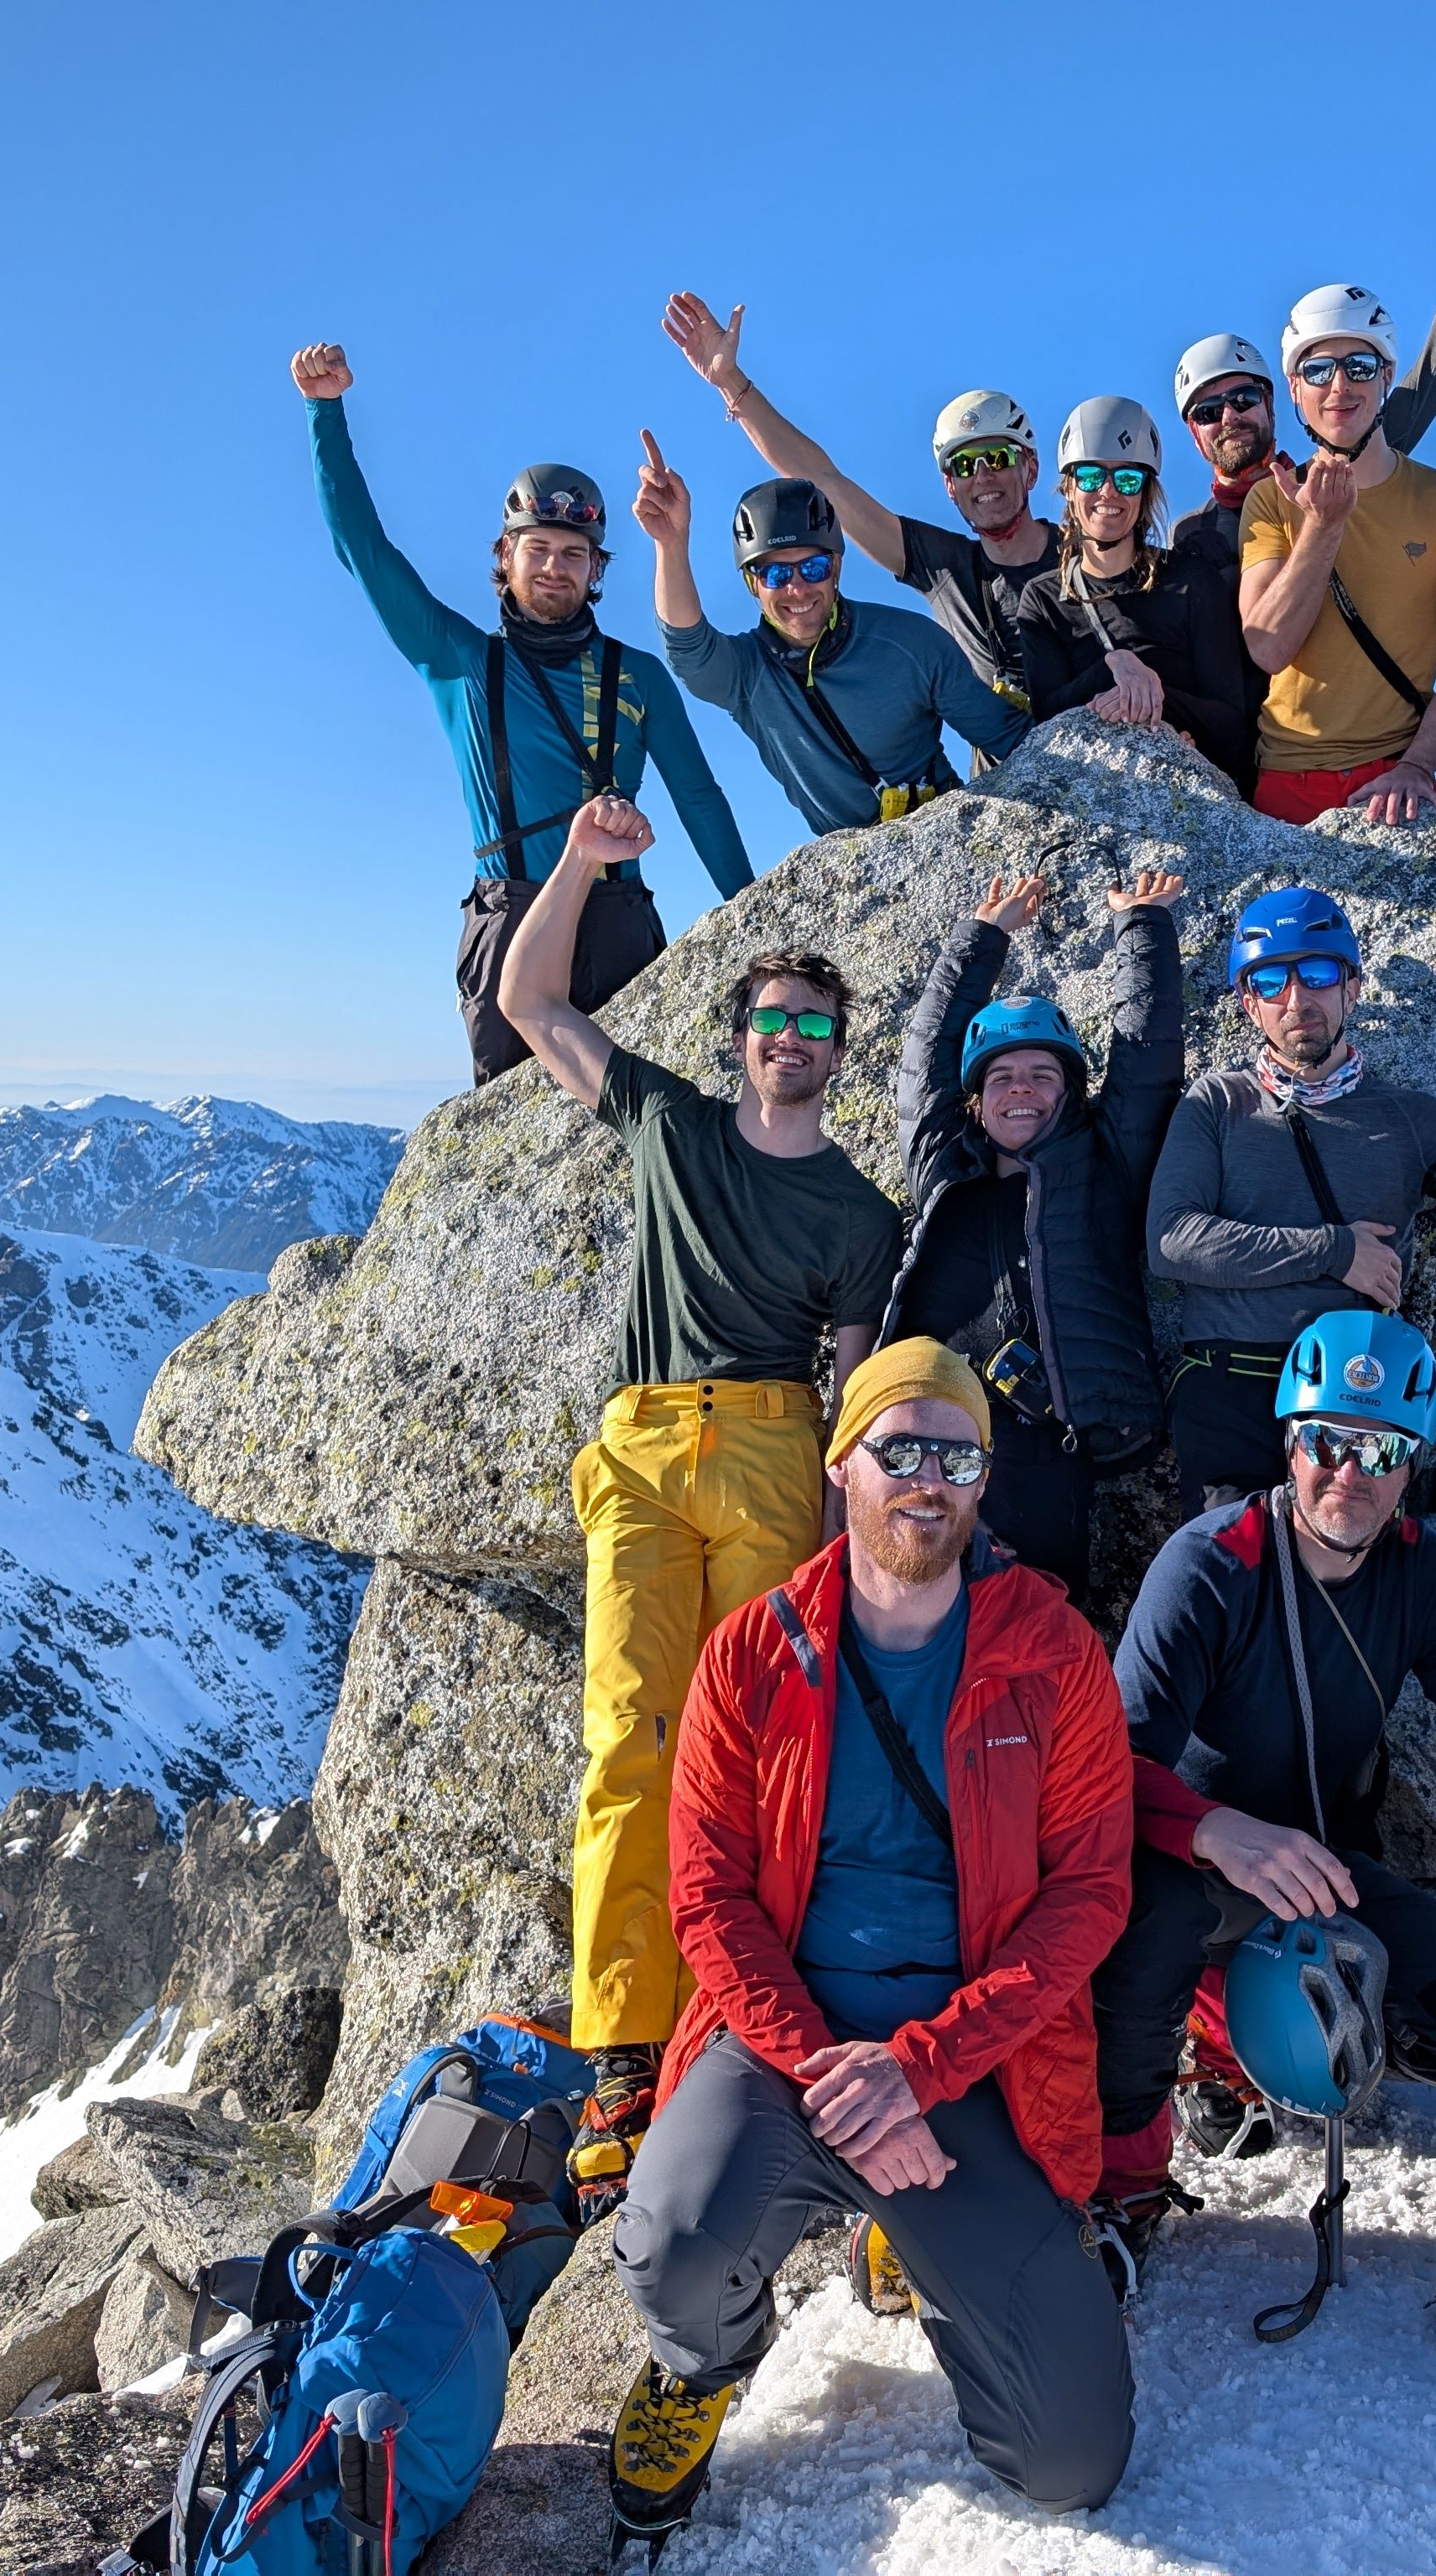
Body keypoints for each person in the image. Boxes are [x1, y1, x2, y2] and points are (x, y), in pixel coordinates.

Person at [606, 1339, 1136, 2547]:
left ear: (984, 1481)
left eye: (959, 1458)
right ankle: (702, 2362)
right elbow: (708, 1898)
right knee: (670, 2245)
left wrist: (919, 2069)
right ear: (842, 1463)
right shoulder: (752, 1655)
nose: (928, 1482)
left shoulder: (1052, 1654)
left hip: (967, 2058)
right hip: (784, 2043)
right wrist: (837, 2077)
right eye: (900, 1450)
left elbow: (1089, 1895)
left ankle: (917, 2244)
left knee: (1071, 2463)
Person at [492, 793, 904, 2224]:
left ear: (838, 1053)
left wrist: (860, 1546)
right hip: (648, 1442)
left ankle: (729, 2019)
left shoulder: (860, 1215)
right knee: (629, 1739)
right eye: (771, 1019)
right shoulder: (667, 1122)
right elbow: (530, 1001)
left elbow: (853, 1385)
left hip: (780, 1448)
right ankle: (622, 2044)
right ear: (739, 1038)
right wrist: (576, 864)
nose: (790, 1038)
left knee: (757, 1757)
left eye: (814, 1024)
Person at [1085, 1311, 1436, 2289]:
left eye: (1382, 1449)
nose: (1350, 1473)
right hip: (1186, 1869)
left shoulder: (1424, 1575)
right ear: (1289, 1443)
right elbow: (1111, 1766)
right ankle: (1124, 2183)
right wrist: (1215, 1831)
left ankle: (1243, 2033)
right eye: (1328, 1441)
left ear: (1413, 1465)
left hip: (1322, 1873)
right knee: (1155, 1923)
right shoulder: (1212, 1564)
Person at [286, 343, 754, 1086]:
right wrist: (325, 412)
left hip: (618, 921)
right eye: (538, 549)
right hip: (509, 924)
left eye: (574, 553)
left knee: (640, 1121)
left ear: (596, 570)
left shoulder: (639, 677)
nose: (555, 567)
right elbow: (362, 550)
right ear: (505, 556)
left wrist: (756, 920)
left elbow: (700, 799)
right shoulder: (461, 661)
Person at [1145, 886, 1436, 1507]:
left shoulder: (1412, 1118)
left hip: (1359, 1399)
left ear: (1352, 988)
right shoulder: (1218, 1103)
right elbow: (1171, 1241)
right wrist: (1335, 1251)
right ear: (1249, 1004)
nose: (1297, 999)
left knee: (1351, 1566)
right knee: (1236, 1563)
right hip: (1233, 1395)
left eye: (1319, 973)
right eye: (1271, 981)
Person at [887, 865, 1187, 1596]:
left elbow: (1147, 1059)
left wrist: (1142, 926)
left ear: (1072, 1093)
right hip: (929, 1433)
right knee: (912, 1617)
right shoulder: (944, 1167)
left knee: (1031, 1626)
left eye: (1043, 1075)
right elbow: (925, 1062)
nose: (1020, 1088)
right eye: (1000, 1078)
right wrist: (982, 938)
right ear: (975, 1103)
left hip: (1046, 1447)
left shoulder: (1106, 1164)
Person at [661, 293, 1055, 714]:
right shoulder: (945, 567)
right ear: (950, 486)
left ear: (1030, 468)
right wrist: (729, 381)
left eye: (998, 457)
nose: (982, 476)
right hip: (1013, 754)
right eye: (963, 465)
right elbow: (823, 480)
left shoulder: (1087, 555)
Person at [1168, 128, 1436, 585]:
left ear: (1273, 402)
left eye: (1243, 399)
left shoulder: (1342, 468)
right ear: (1192, 431)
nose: (1229, 417)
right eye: (1208, 411)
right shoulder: (1190, 537)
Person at [635, 440, 1027, 838]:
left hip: (950, 835)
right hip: (846, 863)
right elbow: (688, 649)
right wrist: (671, 544)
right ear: (753, 584)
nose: (797, 589)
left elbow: (1012, 740)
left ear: (837, 566)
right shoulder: (746, 674)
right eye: (775, 574)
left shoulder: (912, 643)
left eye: (814, 567)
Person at [1231, 283, 1436, 827]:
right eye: (1317, 371)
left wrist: (1418, 765)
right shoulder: (1270, 499)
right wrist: (1323, 526)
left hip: (1397, 781)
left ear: (1386, 376)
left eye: (1358, 366)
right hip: (1287, 779)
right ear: (1294, 388)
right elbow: (1268, 647)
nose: (1339, 386)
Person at [1005, 399, 1257, 791]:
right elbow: (1048, 721)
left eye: (1127, 479)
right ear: (1069, 488)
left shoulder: (1191, 581)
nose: (1108, 492)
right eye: (1090, 477)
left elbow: (1231, 722)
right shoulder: (1044, 601)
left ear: (1145, 493)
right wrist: (1114, 665)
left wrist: (1155, 698)